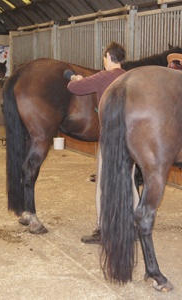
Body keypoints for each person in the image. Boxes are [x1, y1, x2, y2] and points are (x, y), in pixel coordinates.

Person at [65, 42, 129, 244]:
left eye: (104, 58)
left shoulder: (103, 76)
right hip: (130, 141)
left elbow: (74, 87)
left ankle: (102, 229)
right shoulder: (130, 77)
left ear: (109, 57)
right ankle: (132, 226)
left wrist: (76, 78)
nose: (104, 61)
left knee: (102, 185)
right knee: (129, 183)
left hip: (109, 139)